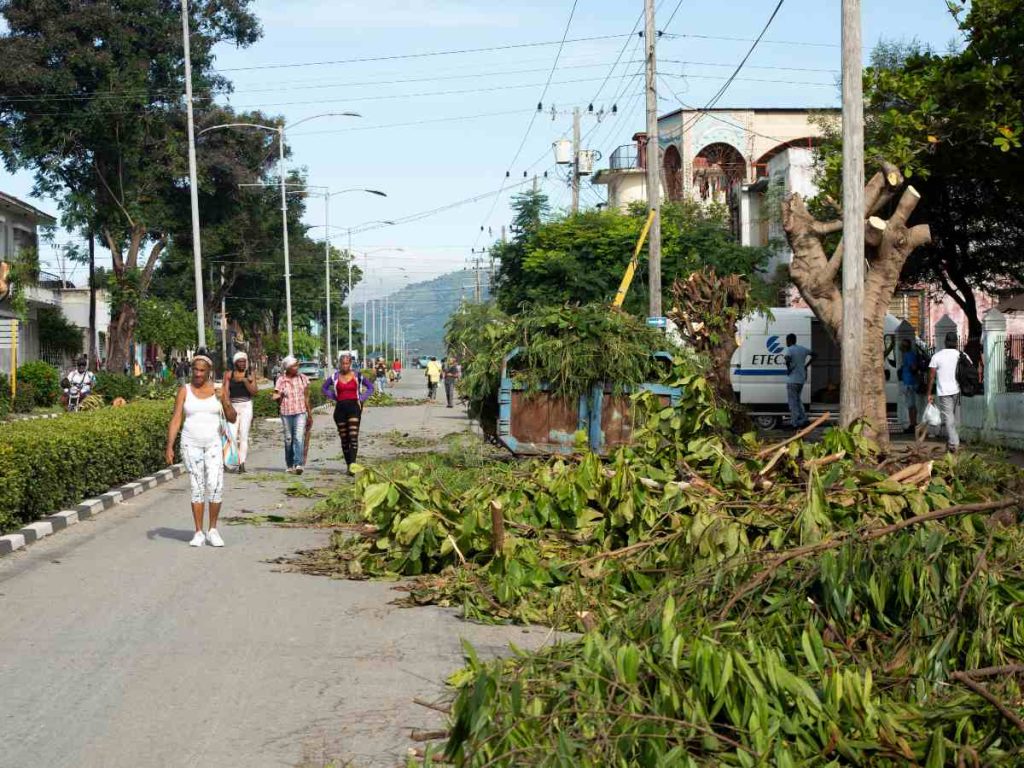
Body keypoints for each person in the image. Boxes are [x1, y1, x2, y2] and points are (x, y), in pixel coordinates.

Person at [165, 352, 236, 548]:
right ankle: (198, 532)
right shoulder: (184, 390)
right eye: (195, 369)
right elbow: (176, 418)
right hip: (190, 444)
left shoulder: (219, 390)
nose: (197, 374)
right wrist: (169, 446)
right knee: (197, 487)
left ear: (209, 372)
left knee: (215, 486)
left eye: (201, 371)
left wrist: (225, 400)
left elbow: (232, 417)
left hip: (213, 444)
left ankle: (212, 530)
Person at [322, 353, 374, 475]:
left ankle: (353, 466)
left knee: (353, 436)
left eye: (347, 363)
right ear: (340, 364)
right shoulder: (334, 377)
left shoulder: (357, 376)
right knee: (344, 439)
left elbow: (370, 387)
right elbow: (324, 388)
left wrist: (361, 398)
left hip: (354, 408)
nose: (345, 365)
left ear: (350, 364)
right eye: (343, 363)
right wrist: (334, 397)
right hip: (340, 409)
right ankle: (348, 464)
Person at [927, 333, 966, 453]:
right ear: (956, 342)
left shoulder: (937, 356)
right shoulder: (961, 355)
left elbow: (931, 376)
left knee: (949, 418)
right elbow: (971, 367)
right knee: (951, 417)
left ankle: (954, 443)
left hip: (944, 391)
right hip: (957, 390)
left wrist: (929, 393)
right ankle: (951, 442)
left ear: (945, 341)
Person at [273, 355, 312, 474]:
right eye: (294, 366)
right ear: (288, 368)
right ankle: (289, 464)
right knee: (288, 439)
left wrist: (309, 414)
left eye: (297, 365)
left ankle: (298, 464)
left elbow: (306, 397)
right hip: (286, 413)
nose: (297, 367)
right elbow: (275, 395)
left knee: (298, 437)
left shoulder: (303, 378)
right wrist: (280, 396)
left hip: (300, 412)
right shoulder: (281, 380)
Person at [226, 351, 257, 473]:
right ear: (235, 363)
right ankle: (230, 461)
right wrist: (227, 406)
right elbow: (225, 391)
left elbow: (254, 392)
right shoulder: (229, 374)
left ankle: (241, 462)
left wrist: (246, 381)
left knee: (244, 435)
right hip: (233, 405)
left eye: (244, 361)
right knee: (232, 435)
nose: (243, 364)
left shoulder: (250, 374)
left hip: (246, 405)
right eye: (240, 361)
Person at [783, 333, 816, 429]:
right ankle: (804, 419)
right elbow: (815, 354)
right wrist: (806, 365)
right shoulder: (802, 349)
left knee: (792, 402)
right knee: (798, 400)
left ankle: (794, 423)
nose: (786, 343)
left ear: (789, 340)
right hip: (801, 379)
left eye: (787, 340)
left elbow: (787, 358)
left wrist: (788, 368)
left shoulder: (790, 349)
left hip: (792, 380)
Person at [893, 338, 922, 433]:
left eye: (902, 345)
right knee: (911, 405)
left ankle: (912, 424)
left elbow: (913, 367)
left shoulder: (908, 355)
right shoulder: (908, 355)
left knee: (911, 405)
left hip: (910, 383)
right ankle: (912, 423)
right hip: (909, 381)